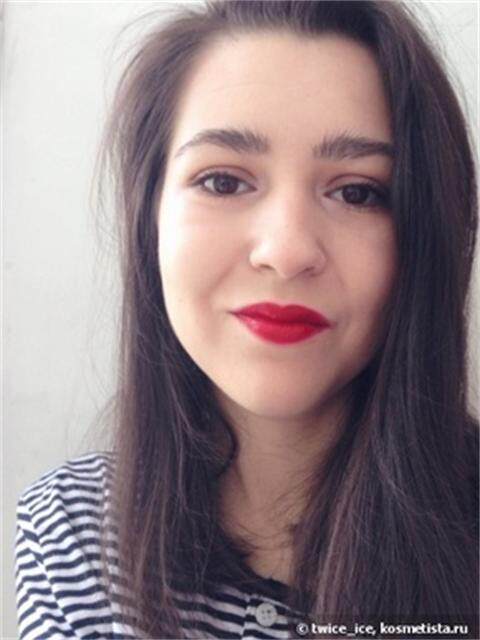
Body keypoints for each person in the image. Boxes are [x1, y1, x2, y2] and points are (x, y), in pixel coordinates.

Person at [14, 1, 479, 639]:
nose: (286, 251)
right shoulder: (70, 528)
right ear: (150, 217)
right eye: (224, 182)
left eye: (358, 192)